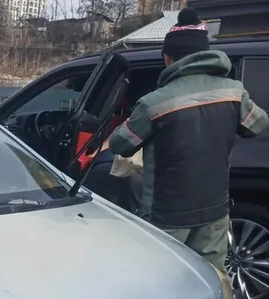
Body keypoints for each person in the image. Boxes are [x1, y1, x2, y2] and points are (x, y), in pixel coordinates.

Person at [107, 7, 268, 272]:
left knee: (165, 277)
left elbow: (119, 144)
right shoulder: (234, 93)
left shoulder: (154, 103)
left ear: (168, 58)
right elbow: (258, 125)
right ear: (204, 53)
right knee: (212, 278)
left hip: (167, 214)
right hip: (214, 210)